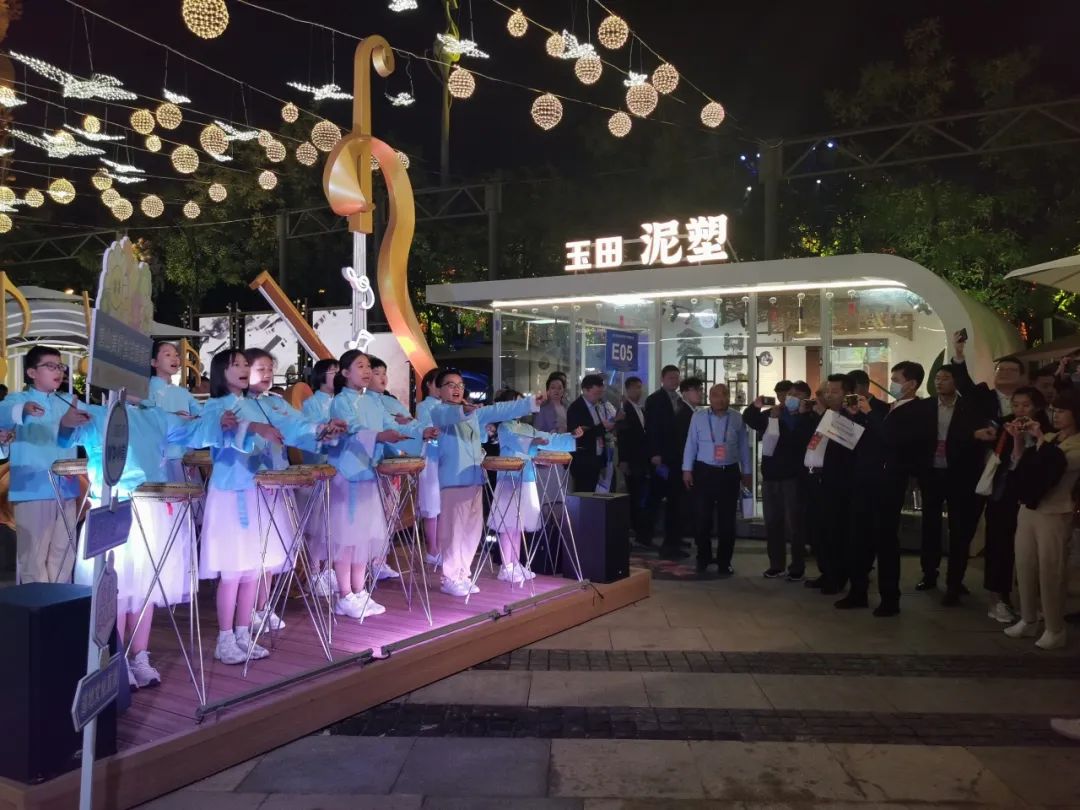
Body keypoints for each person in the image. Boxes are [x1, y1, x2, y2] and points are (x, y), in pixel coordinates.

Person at [60, 392, 238, 689]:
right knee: (115, 588)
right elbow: (71, 433)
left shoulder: (155, 416)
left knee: (145, 587)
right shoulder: (100, 414)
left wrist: (216, 422)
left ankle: (139, 655)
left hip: (152, 506)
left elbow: (192, 430)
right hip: (114, 506)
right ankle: (113, 659)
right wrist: (67, 424)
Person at [198, 349, 341, 665]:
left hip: (259, 490)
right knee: (233, 570)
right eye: (238, 365)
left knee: (254, 567)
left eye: (246, 365)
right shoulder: (216, 405)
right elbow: (214, 433)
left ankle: (243, 633)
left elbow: (292, 426)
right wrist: (250, 429)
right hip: (232, 493)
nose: (245, 370)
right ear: (221, 371)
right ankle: (225, 638)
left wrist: (320, 430)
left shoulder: (260, 405)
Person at [328, 351, 427, 619]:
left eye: (368, 366)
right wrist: (381, 436)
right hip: (347, 474)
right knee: (347, 538)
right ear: (345, 373)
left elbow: (393, 425)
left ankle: (359, 590)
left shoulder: (373, 402)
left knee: (363, 537)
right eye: (360, 366)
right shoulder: (340, 402)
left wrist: (421, 432)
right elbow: (353, 429)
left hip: (368, 473)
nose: (366, 371)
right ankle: (344, 594)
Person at [425, 369, 542, 596]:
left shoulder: (471, 413)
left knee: (472, 531)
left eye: (460, 385)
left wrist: (528, 403)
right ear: (439, 390)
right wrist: (466, 410)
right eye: (451, 385)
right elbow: (453, 415)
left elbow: (498, 410)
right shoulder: (440, 411)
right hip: (454, 480)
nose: (457, 389)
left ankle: (462, 574)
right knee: (453, 531)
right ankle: (450, 577)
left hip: (474, 477)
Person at [1003, 388, 1080, 650]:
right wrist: (1017, 440)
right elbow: (1023, 466)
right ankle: (1028, 618)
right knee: (1024, 564)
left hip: (1056, 511)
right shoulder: (1049, 437)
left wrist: (1038, 441)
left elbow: (1056, 467)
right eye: (1053, 410)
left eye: (1062, 411)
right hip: (1030, 508)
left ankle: (1055, 627)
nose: (1056, 415)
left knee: (1051, 571)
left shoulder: (1075, 444)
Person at [0, 346, 81, 584]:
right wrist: (23, 411)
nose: (58, 371)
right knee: (33, 558)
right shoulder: (17, 400)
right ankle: (38, 605)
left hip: (66, 488)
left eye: (60, 366)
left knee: (64, 554)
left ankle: (60, 602)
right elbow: (3, 414)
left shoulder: (67, 401)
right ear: (32, 372)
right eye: (50, 366)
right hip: (33, 489)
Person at [487, 389, 580, 583]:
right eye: (516, 403)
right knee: (509, 524)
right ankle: (506, 566)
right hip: (509, 478)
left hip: (527, 477)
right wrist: (533, 441)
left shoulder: (527, 427)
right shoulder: (504, 427)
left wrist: (570, 436)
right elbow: (516, 442)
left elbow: (548, 438)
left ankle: (515, 563)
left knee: (518, 524)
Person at [915, 363, 986, 604]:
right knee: (930, 525)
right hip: (931, 473)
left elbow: (975, 440)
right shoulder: (925, 406)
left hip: (960, 475)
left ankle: (955, 582)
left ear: (956, 381)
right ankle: (929, 573)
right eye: (937, 378)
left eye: (945, 378)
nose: (939, 382)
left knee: (959, 529)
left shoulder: (970, 406)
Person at [866, 361, 933, 617]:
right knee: (876, 535)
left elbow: (893, 438)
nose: (892, 383)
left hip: (894, 480)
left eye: (896, 379)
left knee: (887, 538)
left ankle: (890, 597)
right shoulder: (892, 407)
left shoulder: (917, 410)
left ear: (912, 384)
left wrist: (871, 413)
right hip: (878, 477)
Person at [982, 387, 1048, 624]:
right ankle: (997, 599)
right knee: (999, 546)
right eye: (1016, 405)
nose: (1020, 410)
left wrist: (1037, 436)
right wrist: (1013, 438)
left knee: (1030, 551)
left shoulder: (1045, 427)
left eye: (1026, 405)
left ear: (1037, 407)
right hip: (1004, 495)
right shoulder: (1005, 425)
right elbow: (1005, 461)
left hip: (1034, 497)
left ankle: (1029, 603)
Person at [682, 383, 750, 575]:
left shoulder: (737, 418)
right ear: (710, 398)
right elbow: (691, 444)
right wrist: (686, 470)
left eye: (724, 395)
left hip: (729, 472)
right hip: (704, 472)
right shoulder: (698, 417)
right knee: (702, 518)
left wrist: (747, 472)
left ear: (729, 397)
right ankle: (703, 557)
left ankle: (724, 561)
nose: (720, 400)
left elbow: (743, 446)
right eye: (716, 396)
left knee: (727, 521)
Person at [799, 375, 858, 595]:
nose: (828, 395)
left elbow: (848, 443)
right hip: (813, 479)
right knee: (817, 530)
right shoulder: (824, 416)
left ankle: (837, 576)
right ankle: (826, 571)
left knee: (834, 531)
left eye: (834, 391)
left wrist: (826, 414)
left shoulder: (850, 415)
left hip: (834, 482)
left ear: (847, 394)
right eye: (827, 391)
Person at [744, 381, 806, 580]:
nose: (786, 398)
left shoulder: (805, 417)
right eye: (782, 395)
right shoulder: (773, 414)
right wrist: (756, 406)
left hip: (793, 477)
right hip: (771, 476)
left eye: (791, 394)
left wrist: (803, 415)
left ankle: (797, 566)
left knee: (795, 525)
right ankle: (776, 565)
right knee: (772, 523)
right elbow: (750, 419)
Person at [300, 358, 339, 598]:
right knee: (317, 523)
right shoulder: (312, 404)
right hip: (320, 468)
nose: (337, 376)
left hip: (339, 469)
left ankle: (329, 569)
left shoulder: (341, 402)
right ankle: (314, 573)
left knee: (334, 522)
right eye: (333, 372)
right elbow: (310, 437)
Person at [644, 365, 691, 559]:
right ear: (662, 379)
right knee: (661, 498)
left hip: (677, 457)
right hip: (662, 458)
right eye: (671, 378)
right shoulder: (655, 399)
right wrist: (655, 453)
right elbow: (652, 428)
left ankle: (674, 538)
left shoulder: (680, 399)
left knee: (676, 500)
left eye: (677, 378)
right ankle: (660, 540)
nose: (675, 381)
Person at [147, 341, 204, 483]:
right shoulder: (146, 390)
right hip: (157, 459)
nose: (175, 359)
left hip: (184, 457)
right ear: (154, 362)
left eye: (177, 355)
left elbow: (202, 415)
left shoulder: (183, 393)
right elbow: (146, 418)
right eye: (168, 355)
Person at [616, 375, 651, 545]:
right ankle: (636, 531)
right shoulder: (625, 409)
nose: (640, 390)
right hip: (632, 459)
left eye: (640, 387)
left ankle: (641, 531)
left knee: (640, 494)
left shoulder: (640, 409)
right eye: (636, 387)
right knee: (635, 495)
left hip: (641, 458)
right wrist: (624, 460)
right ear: (628, 389)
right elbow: (623, 436)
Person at [567, 374, 615, 494]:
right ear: (585, 390)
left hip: (597, 458)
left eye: (600, 393)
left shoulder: (597, 407)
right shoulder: (576, 408)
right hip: (583, 461)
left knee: (596, 494)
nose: (599, 397)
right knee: (584, 494)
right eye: (596, 393)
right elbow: (578, 434)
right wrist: (603, 427)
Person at [415, 367, 443, 566]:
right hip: (431, 459)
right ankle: (432, 550)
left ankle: (441, 548)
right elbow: (427, 429)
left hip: (446, 459)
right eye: (438, 383)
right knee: (431, 505)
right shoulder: (424, 406)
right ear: (428, 385)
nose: (442, 388)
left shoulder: (449, 406)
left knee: (444, 506)